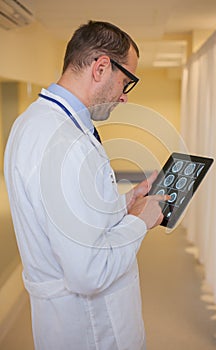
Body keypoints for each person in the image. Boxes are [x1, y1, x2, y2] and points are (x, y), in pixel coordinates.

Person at [4, 20, 169, 350]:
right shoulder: (63, 143)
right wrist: (140, 220)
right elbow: (89, 273)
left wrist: (124, 202)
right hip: (91, 329)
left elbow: (72, 217)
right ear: (101, 67)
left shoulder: (35, 121)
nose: (124, 97)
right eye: (127, 82)